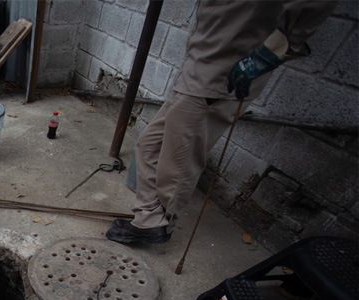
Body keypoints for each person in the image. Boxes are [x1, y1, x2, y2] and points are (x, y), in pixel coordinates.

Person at [106, 0, 337, 245]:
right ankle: (150, 215)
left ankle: (156, 225)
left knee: (178, 163)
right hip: (196, 72)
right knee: (149, 144)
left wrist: (269, 54)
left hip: (221, 79)